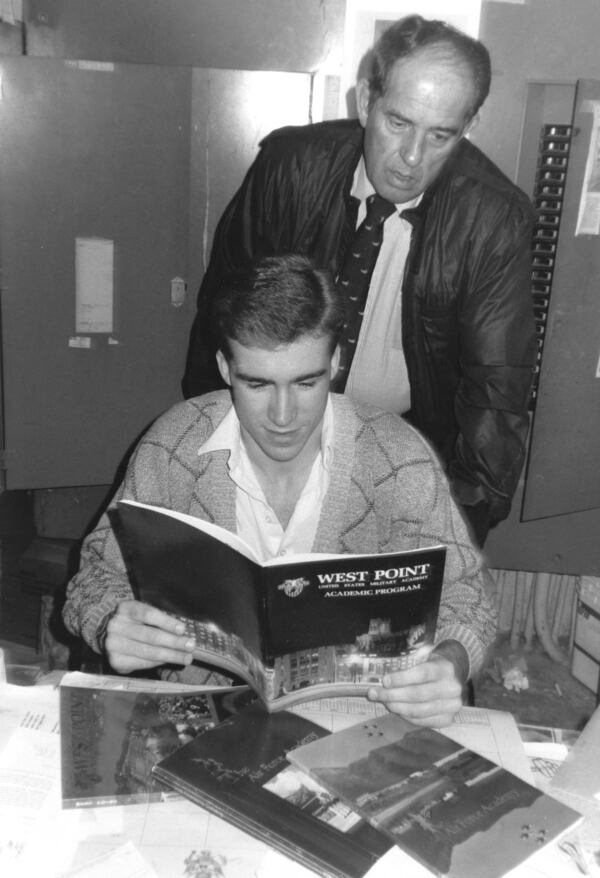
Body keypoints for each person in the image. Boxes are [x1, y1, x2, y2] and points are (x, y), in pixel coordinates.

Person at [63, 254, 497, 728]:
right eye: (257, 383)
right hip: (202, 719)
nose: (284, 415)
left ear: (335, 361)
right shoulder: (173, 447)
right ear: (225, 368)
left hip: (357, 720)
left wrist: (449, 662)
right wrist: (110, 624)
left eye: (306, 382)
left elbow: (467, 597)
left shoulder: (396, 459)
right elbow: (96, 577)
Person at [182, 15, 536, 547]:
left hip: (398, 451)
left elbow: (498, 388)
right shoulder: (290, 168)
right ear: (366, 99)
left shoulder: (493, 219)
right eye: (398, 122)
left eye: (440, 135)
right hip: (270, 431)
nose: (412, 158)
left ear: (470, 125)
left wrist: (457, 533)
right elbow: (223, 317)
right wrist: (212, 450)